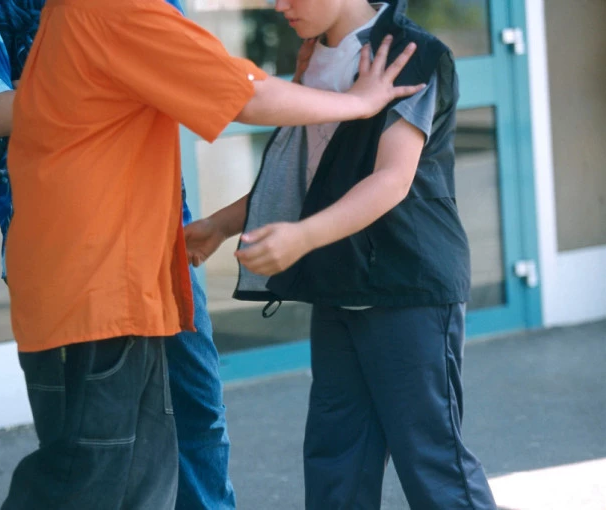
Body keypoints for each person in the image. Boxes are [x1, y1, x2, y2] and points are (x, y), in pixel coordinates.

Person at [0, 0, 421, 507]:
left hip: (110, 280)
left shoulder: (78, 11)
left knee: (141, 474)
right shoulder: (114, 9)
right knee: (87, 481)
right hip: (98, 287)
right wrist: (358, 102)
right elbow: (245, 95)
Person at [184, 0, 498, 508]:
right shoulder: (312, 58)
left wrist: (302, 238)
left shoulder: (412, 54)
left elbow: (392, 179)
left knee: (432, 462)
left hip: (409, 288)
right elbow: (308, 174)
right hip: (339, 287)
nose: (279, 6)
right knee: (336, 463)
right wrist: (220, 226)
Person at [0, 1, 239, 507]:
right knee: (86, 447)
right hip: (65, 253)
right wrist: (103, 83)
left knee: (195, 408)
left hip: (159, 234)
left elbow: (192, 78)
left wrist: (58, 90)